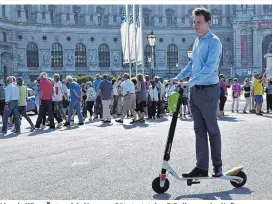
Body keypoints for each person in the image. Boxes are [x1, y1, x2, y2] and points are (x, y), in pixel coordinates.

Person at [175, 7, 223, 177]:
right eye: (194, 22)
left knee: (212, 129)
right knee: (198, 130)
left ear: (208, 22)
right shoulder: (197, 41)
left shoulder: (214, 42)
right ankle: (202, 167)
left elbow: (210, 68)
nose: (195, 25)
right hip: (195, 91)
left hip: (208, 90)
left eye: (199, 22)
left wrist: (188, 82)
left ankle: (218, 166)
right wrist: (178, 77)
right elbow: (192, 65)